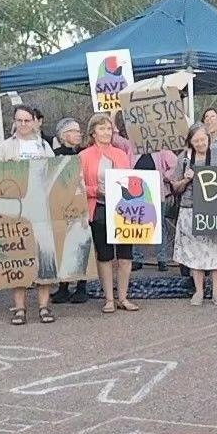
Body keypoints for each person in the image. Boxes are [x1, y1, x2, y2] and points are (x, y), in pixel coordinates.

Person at [0, 106, 57, 323]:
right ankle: (19, 307)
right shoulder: (4, 147)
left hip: (41, 208)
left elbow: (55, 173)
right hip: (15, 209)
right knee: (17, 257)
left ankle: (44, 306)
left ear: (34, 122)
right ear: (14, 122)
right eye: (19, 120)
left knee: (43, 256)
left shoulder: (44, 146)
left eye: (27, 120)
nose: (23, 124)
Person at [80, 112, 139, 314]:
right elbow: (77, 186)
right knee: (104, 255)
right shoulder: (84, 156)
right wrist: (94, 190)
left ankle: (123, 297)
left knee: (125, 255)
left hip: (123, 210)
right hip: (98, 209)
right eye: (102, 128)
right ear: (93, 132)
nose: (107, 132)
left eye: (109, 128)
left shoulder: (121, 154)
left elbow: (131, 181)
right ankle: (109, 299)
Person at [173, 123, 217, 306]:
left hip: (215, 209)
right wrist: (186, 178)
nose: (201, 143)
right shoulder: (183, 158)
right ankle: (199, 291)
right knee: (195, 252)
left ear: (209, 138)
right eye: (196, 140)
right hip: (190, 208)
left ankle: (216, 291)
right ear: (190, 141)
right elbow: (174, 186)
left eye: (203, 139)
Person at [50, 118, 91, 305]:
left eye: (79, 130)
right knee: (63, 246)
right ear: (63, 135)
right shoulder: (54, 155)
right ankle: (64, 286)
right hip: (60, 205)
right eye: (74, 131)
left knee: (81, 245)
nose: (78, 134)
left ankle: (82, 286)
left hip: (81, 204)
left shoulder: (83, 154)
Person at [130, 145, 179, 273]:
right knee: (137, 223)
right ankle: (137, 258)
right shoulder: (132, 148)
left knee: (158, 225)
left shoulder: (161, 149)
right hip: (135, 193)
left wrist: (164, 176)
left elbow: (176, 164)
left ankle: (161, 259)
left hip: (156, 192)